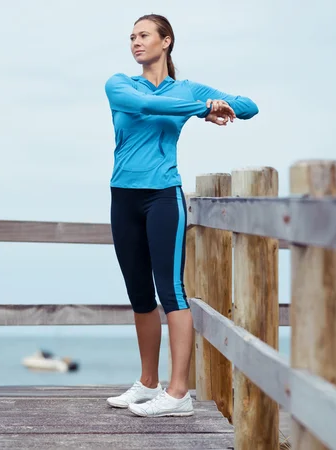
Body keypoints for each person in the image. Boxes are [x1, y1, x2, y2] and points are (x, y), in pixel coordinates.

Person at [103, 14, 258, 418]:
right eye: (132, 37)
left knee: (170, 290)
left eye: (144, 35)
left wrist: (213, 106)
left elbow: (248, 107)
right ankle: (149, 382)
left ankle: (178, 393)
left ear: (166, 41)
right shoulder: (120, 84)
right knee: (138, 293)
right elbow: (144, 105)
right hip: (123, 197)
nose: (135, 42)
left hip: (162, 196)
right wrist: (199, 110)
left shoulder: (187, 88)